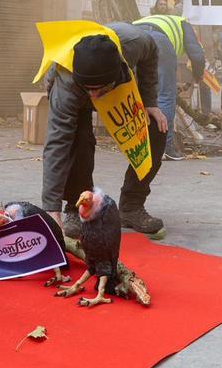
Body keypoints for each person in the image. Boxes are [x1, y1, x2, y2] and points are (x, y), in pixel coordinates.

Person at [41, 26, 169, 237]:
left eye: (99, 89)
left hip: (119, 87)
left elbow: (151, 53)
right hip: (74, 91)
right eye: (89, 89)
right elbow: (56, 144)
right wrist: (50, 208)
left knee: (156, 127)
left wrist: (150, 101)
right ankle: (76, 207)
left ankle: (131, 207)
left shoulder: (135, 42)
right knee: (78, 140)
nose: (95, 95)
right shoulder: (67, 82)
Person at [133, 12, 205, 160]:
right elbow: (197, 54)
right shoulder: (184, 23)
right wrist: (198, 76)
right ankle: (164, 147)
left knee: (138, 93)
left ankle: (138, 144)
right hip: (158, 40)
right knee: (165, 95)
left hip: (133, 38)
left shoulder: (157, 19)